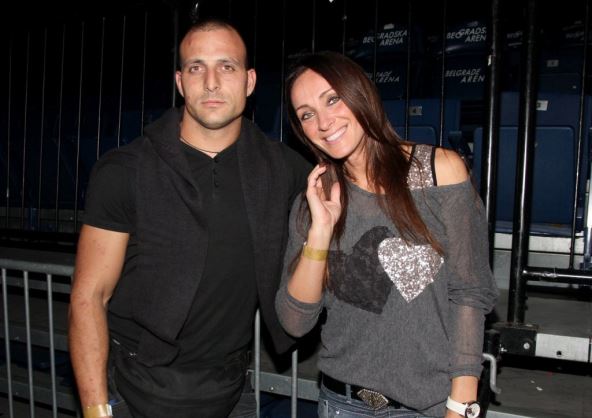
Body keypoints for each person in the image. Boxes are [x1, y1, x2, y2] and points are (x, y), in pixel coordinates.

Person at [68, 18, 310, 418]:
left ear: (249, 81)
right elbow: (88, 296)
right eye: (197, 68)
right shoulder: (125, 170)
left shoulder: (283, 169)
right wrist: (96, 410)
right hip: (134, 391)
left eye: (226, 66)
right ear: (180, 82)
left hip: (231, 390)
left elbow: (353, 192)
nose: (211, 82)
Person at [275, 51, 498, 418]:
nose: (324, 122)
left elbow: (469, 292)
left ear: (361, 94)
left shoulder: (440, 173)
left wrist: (461, 405)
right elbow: (295, 322)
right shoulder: (314, 199)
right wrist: (320, 231)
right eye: (307, 114)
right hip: (341, 404)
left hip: (428, 407)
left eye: (333, 99)